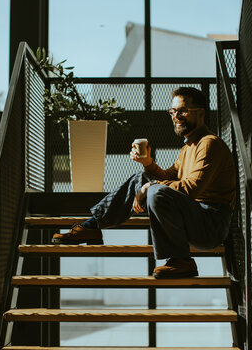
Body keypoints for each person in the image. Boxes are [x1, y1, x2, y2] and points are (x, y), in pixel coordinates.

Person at [52, 87, 236, 279]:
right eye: (172, 112)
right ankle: (92, 226)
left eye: (182, 111)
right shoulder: (188, 147)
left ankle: (181, 260)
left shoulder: (208, 143)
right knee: (141, 178)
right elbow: (171, 177)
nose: (175, 116)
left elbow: (190, 189)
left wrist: (150, 187)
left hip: (211, 223)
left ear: (201, 113)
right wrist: (147, 162)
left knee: (155, 190)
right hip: (195, 216)